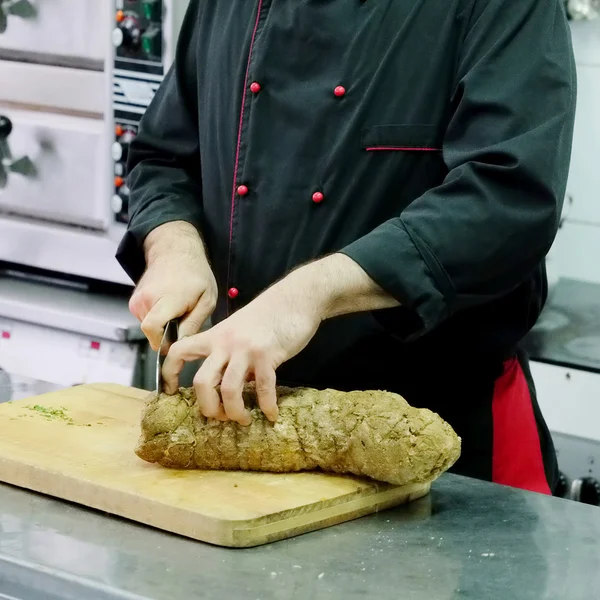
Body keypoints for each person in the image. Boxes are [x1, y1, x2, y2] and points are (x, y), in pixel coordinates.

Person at [117, 0, 577, 495]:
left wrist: (308, 294)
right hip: (238, 428)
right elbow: (164, 156)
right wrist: (174, 247)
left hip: (439, 442)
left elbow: (509, 198)